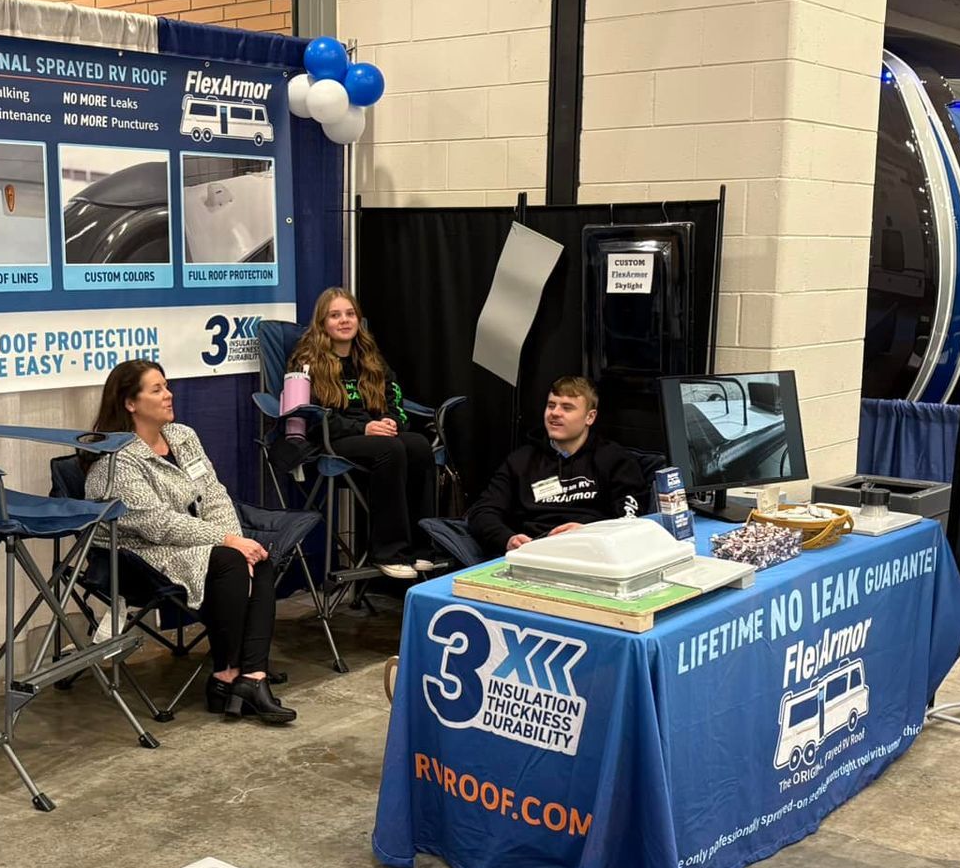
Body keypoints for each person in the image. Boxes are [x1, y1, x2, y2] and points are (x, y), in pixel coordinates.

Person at [88, 359, 294, 725]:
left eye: (167, 386)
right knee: (229, 559)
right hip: (141, 555)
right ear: (130, 403)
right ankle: (228, 674)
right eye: (157, 389)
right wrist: (227, 541)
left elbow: (214, 494)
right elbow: (157, 524)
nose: (169, 395)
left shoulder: (183, 436)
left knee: (258, 558)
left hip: (195, 540)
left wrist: (237, 540)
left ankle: (251, 677)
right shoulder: (117, 461)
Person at [288, 286, 438, 579]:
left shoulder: (371, 358)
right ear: (322, 324)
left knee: (418, 445)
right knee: (390, 449)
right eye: (335, 316)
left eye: (350, 314)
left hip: (374, 435)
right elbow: (312, 418)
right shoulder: (306, 362)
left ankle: (422, 547)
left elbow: (394, 399)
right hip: (333, 439)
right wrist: (366, 428)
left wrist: (392, 422)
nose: (344, 321)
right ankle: (389, 551)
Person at [467, 375, 647, 556]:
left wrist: (591, 533)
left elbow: (631, 518)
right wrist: (508, 538)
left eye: (567, 408)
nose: (555, 413)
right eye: (551, 405)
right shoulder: (521, 461)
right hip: (532, 551)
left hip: (592, 551)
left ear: (590, 417)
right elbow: (482, 511)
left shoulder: (615, 459)